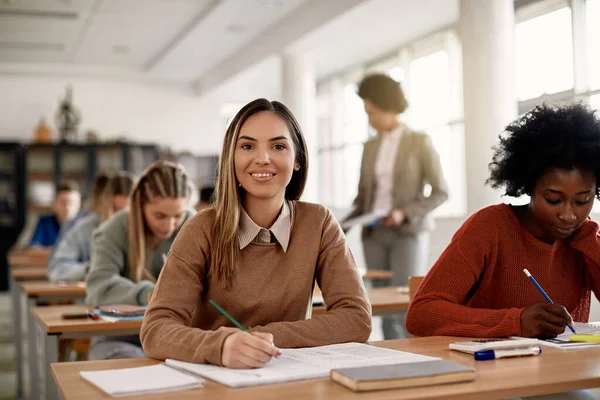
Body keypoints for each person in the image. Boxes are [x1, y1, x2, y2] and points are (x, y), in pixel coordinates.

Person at [140, 98, 371, 369]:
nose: (263, 158)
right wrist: (222, 347)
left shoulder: (318, 222)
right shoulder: (200, 229)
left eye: (278, 146)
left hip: (288, 374)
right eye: (247, 146)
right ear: (231, 159)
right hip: (213, 377)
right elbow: (155, 330)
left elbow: (356, 318)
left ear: (297, 160)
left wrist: (266, 337)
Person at [406, 103, 600, 342]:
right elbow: (421, 314)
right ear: (529, 186)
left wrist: (590, 243)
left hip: (561, 371)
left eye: (582, 201)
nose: (569, 215)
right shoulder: (489, 227)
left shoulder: (585, 239)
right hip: (490, 372)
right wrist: (514, 322)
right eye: (553, 199)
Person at [346, 73, 448, 340]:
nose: (370, 119)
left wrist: (403, 213)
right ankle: (391, 358)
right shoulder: (369, 146)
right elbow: (362, 196)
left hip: (407, 233)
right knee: (379, 304)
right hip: (374, 234)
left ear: (387, 106)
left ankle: (412, 363)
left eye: (373, 112)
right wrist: (340, 220)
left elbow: (440, 192)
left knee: (405, 303)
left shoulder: (419, 142)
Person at [85, 160, 195, 360]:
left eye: (178, 216)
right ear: (140, 204)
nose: (170, 226)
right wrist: (151, 293)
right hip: (120, 336)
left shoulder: (194, 224)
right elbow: (98, 288)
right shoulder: (114, 229)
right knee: (136, 367)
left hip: (177, 333)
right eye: (159, 216)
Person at [48, 172, 134, 282]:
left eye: (127, 214)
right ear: (103, 203)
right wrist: (90, 269)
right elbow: (56, 269)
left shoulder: (150, 232)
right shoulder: (83, 229)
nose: (121, 220)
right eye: (116, 212)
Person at [29, 180, 81, 247]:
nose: (67, 207)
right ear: (54, 204)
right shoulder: (44, 222)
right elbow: (33, 249)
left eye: (72, 203)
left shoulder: (86, 225)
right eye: (63, 202)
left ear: (79, 205)